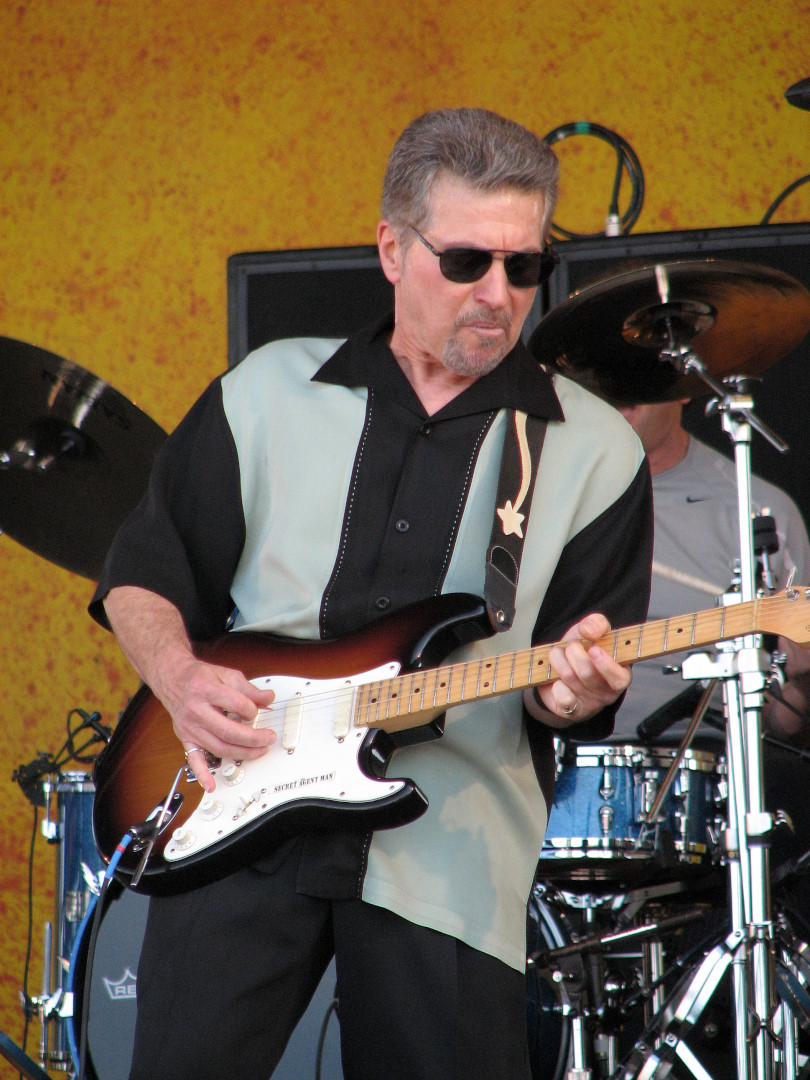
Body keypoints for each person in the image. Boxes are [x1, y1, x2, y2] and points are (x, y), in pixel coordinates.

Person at [89, 107, 653, 1080]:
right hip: (236, 812)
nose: (500, 294)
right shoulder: (267, 392)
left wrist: (575, 691)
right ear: (393, 248)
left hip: (452, 856)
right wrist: (180, 677)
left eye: (526, 269)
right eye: (469, 260)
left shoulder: (596, 450)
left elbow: (565, 679)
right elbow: (146, 570)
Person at [611, 399, 810, 931]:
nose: (619, 389)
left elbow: (783, 721)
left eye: (643, 374)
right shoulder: (531, 496)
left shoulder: (755, 506)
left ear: (684, 386)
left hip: (707, 779)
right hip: (550, 763)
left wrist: (799, 674)